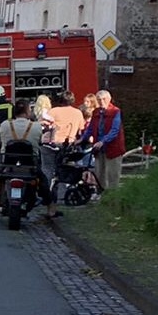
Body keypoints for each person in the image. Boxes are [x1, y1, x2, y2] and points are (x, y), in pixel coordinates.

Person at [39, 89, 85, 218]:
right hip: (67, 147)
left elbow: (43, 125)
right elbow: (81, 130)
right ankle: (61, 198)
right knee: (64, 172)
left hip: (49, 145)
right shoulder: (77, 113)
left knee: (47, 171)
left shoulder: (53, 111)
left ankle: (46, 197)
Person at [92, 89, 126, 190]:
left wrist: (103, 141)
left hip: (113, 148)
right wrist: (82, 139)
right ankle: (101, 194)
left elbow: (114, 130)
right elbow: (91, 128)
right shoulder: (96, 112)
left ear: (109, 99)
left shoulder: (115, 111)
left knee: (112, 175)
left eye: (104, 99)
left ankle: (112, 195)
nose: (101, 101)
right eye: (99, 99)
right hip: (99, 148)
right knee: (99, 175)